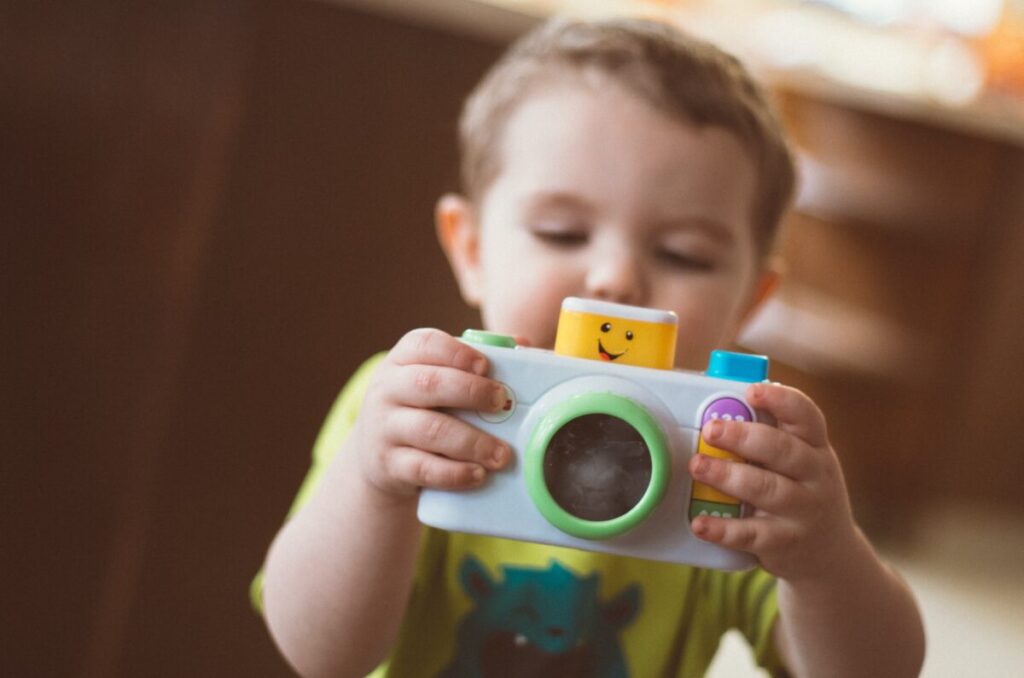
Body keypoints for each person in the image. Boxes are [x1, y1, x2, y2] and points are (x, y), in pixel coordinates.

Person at [255, 17, 925, 678]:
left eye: (682, 254)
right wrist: (373, 487)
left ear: (751, 299)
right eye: (562, 233)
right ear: (473, 249)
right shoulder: (420, 408)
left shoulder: (726, 452)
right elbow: (323, 656)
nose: (615, 279)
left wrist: (828, 559)